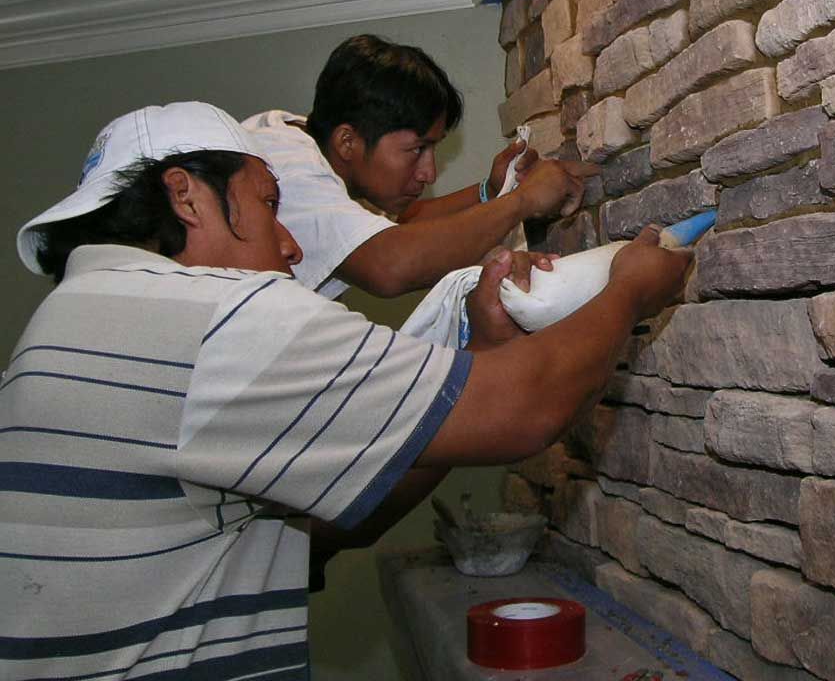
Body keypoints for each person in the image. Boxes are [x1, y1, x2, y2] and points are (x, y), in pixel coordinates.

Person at [0, 102, 689, 680]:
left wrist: (480, 353)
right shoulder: (213, 321)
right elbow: (526, 410)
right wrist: (630, 287)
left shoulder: (82, 315)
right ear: (186, 197)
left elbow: (327, 530)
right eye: (271, 206)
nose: (293, 248)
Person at [242, 34, 596, 300]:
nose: (429, 173)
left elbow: (399, 227)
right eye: (416, 149)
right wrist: (523, 202)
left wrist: (489, 192)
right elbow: (391, 263)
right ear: (347, 142)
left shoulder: (320, 147)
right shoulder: (283, 169)